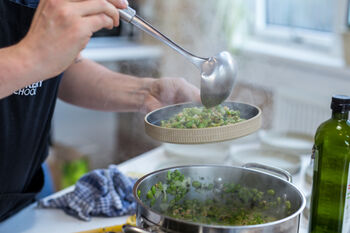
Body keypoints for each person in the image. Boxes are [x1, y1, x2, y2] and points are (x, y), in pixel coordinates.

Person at [0, 0, 200, 221]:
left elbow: (58, 69)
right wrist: (31, 55)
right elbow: (35, 59)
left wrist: (145, 92)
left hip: (21, 201)